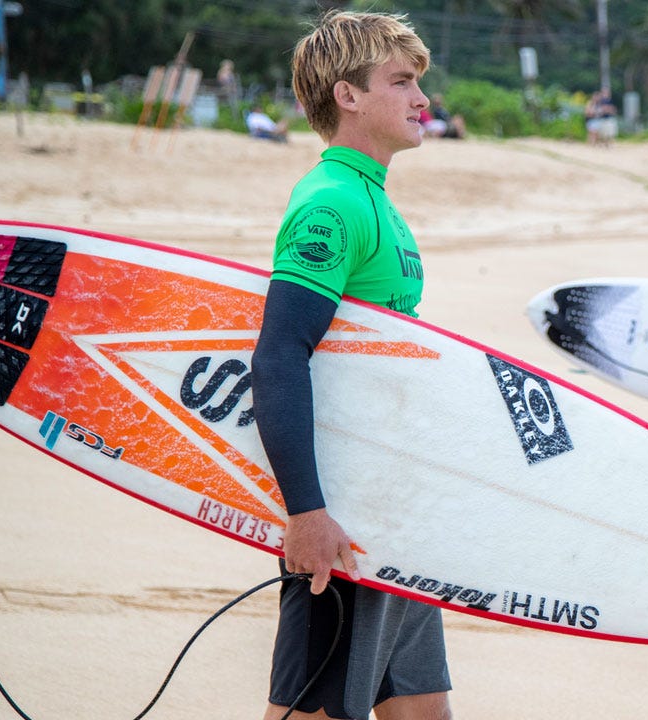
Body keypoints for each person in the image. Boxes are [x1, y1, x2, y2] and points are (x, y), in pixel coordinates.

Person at [250, 10, 452, 720]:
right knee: (315, 713)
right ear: (349, 96)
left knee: (422, 710)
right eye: (401, 82)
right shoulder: (333, 203)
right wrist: (306, 513)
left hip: (394, 511)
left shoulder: (376, 199)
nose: (422, 99)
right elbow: (278, 357)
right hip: (344, 520)